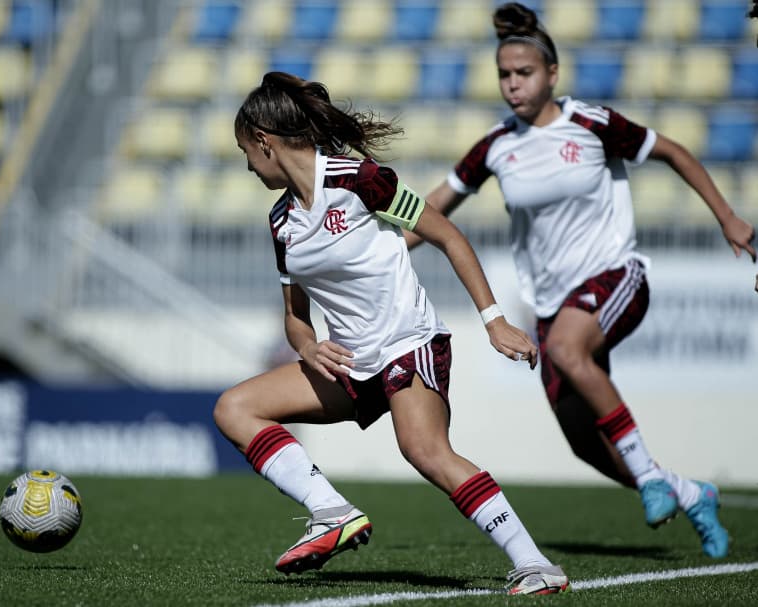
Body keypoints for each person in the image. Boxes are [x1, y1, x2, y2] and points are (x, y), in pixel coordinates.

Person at [408, 2, 757, 559]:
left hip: (614, 276)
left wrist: (726, 216)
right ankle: (692, 491)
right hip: (552, 304)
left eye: (524, 73)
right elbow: (436, 207)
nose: (513, 84)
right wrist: (385, 248)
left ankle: (649, 479)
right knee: (585, 444)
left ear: (552, 74)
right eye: (504, 74)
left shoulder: (592, 123)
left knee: (570, 350)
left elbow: (671, 150)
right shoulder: (497, 146)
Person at [212, 71, 570, 595]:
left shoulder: (358, 178)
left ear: (264, 141)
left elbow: (447, 235)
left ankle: (536, 565)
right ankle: (331, 512)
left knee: (423, 450)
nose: (246, 164)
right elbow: (294, 314)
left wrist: (494, 321)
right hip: (351, 362)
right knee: (233, 408)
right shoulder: (281, 221)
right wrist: (309, 346)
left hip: (409, 342)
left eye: (246, 150)